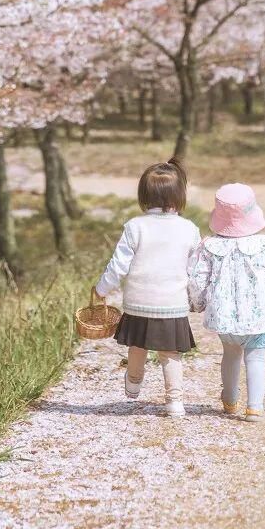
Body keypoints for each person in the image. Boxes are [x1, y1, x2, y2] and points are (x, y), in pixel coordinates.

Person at [95, 157, 200, 418]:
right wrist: (197, 298)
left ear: (144, 195)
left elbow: (118, 265)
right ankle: (175, 402)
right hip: (172, 303)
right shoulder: (189, 229)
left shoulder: (135, 226)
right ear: (180, 195)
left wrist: (101, 289)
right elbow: (195, 269)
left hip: (139, 301)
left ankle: (133, 381)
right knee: (170, 353)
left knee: (138, 346)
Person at [189, 182, 265, 421]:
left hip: (225, 318)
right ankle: (254, 407)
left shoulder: (209, 247)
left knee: (231, 354)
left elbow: (197, 280)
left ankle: (230, 400)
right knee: (256, 358)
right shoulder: (263, 246)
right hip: (260, 318)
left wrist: (198, 303)